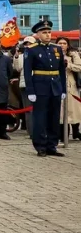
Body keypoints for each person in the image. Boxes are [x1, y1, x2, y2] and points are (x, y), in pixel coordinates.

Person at [24, 20, 67, 157]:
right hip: (40, 87)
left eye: (49, 32)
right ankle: (40, 146)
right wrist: (30, 90)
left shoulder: (56, 49)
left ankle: (51, 145)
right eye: (44, 32)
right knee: (40, 118)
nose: (48, 35)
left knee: (54, 118)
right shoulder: (31, 50)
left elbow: (61, 71)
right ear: (38, 34)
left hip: (55, 86)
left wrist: (63, 89)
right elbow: (27, 72)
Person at [57, 38, 81, 140]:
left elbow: (79, 67)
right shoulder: (53, 54)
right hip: (57, 84)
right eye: (60, 43)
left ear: (68, 45)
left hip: (71, 84)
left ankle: (76, 132)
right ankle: (63, 134)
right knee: (61, 111)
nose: (62, 45)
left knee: (74, 110)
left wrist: (68, 65)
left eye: (64, 43)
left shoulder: (73, 54)